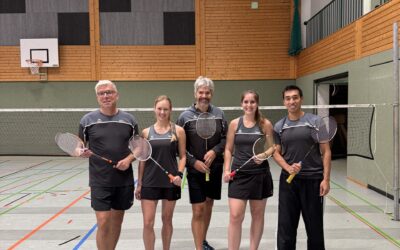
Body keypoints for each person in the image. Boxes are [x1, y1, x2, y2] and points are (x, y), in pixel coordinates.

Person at [79, 80, 138, 250]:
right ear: (97, 97)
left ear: (116, 95)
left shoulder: (129, 120)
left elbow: (138, 148)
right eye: (101, 93)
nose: (106, 96)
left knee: (117, 221)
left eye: (109, 92)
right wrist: (80, 151)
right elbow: (79, 146)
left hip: (123, 180)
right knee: (103, 221)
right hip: (100, 180)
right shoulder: (87, 120)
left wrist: (128, 160)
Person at [273, 85, 331, 250]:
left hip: (313, 181)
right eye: (288, 98)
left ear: (301, 99)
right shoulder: (279, 126)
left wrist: (326, 179)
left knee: (314, 229)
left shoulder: (315, 122)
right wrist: (288, 167)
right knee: (286, 228)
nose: (292, 101)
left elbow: (326, 152)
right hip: (289, 182)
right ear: (284, 101)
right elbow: (276, 153)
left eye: (295, 97)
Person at [177, 76, 227, 250]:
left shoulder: (219, 114)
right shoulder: (185, 117)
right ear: (195, 93)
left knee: (209, 204)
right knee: (198, 209)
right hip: (195, 170)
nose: (204, 95)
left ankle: (203, 240)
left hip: (215, 168)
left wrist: (215, 151)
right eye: (201, 92)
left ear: (211, 93)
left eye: (207, 92)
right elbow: (179, 146)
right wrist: (193, 162)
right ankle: (199, 247)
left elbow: (225, 139)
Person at [223, 90, 275, 250]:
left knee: (257, 215)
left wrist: (263, 155)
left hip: (260, 175)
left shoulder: (265, 124)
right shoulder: (234, 124)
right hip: (238, 175)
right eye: (246, 102)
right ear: (241, 104)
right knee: (235, 216)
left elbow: (273, 147)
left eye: (252, 102)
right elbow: (228, 149)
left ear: (257, 104)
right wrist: (226, 169)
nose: (249, 105)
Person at [135, 95, 187, 250]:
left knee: (167, 219)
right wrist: (139, 183)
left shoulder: (179, 131)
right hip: (150, 182)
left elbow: (183, 156)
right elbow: (142, 160)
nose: (162, 112)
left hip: (171, 182)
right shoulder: (146, 133)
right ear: (154, 109)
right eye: (159, 109)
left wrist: (179, 174)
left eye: (165, 109)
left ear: (170, 110)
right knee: (148, 222)